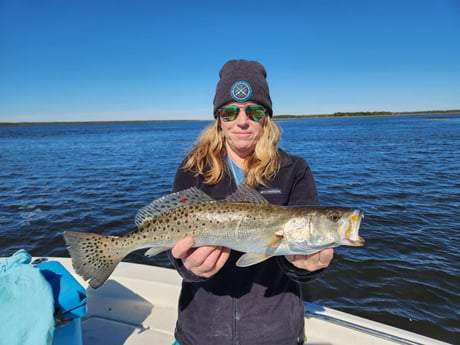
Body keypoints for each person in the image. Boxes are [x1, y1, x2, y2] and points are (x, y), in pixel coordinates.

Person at [169, 59, 334, 345]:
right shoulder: (193, 168)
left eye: (254, 111)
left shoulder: (294, 170)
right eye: (230, 111)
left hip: (274, 332)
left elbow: (298, 263)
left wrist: (306, 265)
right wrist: (188, 267)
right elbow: (173, 242)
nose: (241, 121)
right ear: (218, 118)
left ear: (266, 117)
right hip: (201, 331)